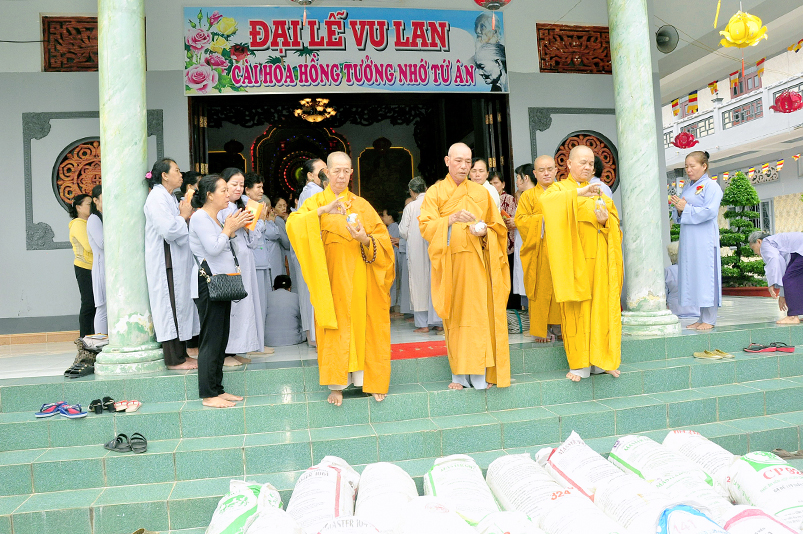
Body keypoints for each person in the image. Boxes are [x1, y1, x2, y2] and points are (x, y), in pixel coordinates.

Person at [287, 151, 395, 406]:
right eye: (336, 171)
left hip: (361, 281)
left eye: (346, 171)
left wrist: (364, 239)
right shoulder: (316, 203)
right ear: (326, 172)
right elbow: (294, 225)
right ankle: (337, 386)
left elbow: (383, 242)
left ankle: (368, 381)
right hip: (332, 282)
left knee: (364, 329)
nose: (342, 176)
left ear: (351, 173)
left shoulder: (362, 205)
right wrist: (322, 211)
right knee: (335, 331)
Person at [419, 142, 510, 390]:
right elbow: (426, 226)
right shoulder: (435, 193)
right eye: (458, 160)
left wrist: (485, 232)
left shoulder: (481, 193)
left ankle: (480, 375)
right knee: (457, 318)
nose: (463, 166)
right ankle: (458, 376)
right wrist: (451, 219)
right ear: (447, 161)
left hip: (478, 266)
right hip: (451, 266)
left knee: (479, 317)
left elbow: (498, 228)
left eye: (468, 161)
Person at [541, 146, 623, 381]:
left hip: (599, 261)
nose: (587, 167)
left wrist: (605, 222)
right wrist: (579, 193)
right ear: (569, 164)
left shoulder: (599, 192)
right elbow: (547, 203)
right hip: (574, 262)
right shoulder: (559, 189)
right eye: (582, 162)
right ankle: (579, 365)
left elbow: (613, 226)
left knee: (601, 310)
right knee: (577, 312)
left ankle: (601, 360)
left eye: (590, 164)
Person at [189, 174, 252, 408]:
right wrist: (229, 229)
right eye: (223, 190)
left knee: (221, 338)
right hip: (208, 283)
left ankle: (218, 389)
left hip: (221, 282)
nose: (228, 194)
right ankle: (208, 394)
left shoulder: (213, 218)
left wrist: (231, 229)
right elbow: (214, 248)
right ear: (209, 195)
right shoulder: (200, 217)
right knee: (211, 339)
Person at [144, 158, 200, 370]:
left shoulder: (168, 196)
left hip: (176, 261)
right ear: (165, 175)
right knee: (170, 309)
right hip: (166, 262)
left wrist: (184, 216)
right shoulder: (156, 198)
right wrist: (183, 216)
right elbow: (168, 230)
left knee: (180, 308)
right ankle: (173, 359)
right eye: (176, 170)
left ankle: (182, 354)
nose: (181, 174)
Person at [670, 151, 723, 330]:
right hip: (690, 239)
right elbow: (681, 213)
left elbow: (710, 211)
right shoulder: (688, 187)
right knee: (697, 277)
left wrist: (686, 208)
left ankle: (710, 319)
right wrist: (679, 209)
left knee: (707, 277)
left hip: (704, 240)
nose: (689, 170)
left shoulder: (712, 186)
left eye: (692, 166)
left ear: (704, 166)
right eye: (686, 166)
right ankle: (701, 317)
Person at [219, 168, 266, 361]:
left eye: (241, 185)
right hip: (229, 262)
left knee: (245, 306)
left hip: (245, 261)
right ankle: (226, 351)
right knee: (232, 307)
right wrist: (235, 225)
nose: (238, 189)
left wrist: (253, 224)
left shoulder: (243, 206)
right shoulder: (219, 207)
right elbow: (220, 237)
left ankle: (238, 349)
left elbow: (252, 242)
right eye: (234, 184)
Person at [514, 160, 562, 342]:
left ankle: (560, 327)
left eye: (550, 169)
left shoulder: (564, 192)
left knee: (560, 288)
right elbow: (520, 220)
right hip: (538, 251)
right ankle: (542, 330)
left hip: (560, 250)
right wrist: (542, 219)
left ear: (556, 170)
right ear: (534, 173)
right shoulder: (527, 196)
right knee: (540, 290)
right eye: (541, 170)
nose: (546, 173)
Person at [245, 173, 289, 340]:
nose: (261, 190)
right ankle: (257, 341)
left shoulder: (259, 212)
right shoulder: (250, 209)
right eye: (258, 187)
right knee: (258, 302)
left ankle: (261, 340)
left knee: (263, 302)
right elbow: (257, 235)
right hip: (256, 262)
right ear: (247, 190)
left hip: (262, 262)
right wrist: (265, 220)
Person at [399, 177, 442, 333]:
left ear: (412, 191)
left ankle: (423, 324)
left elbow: (403, 231)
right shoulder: (435, 203)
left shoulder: (411, 207)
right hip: (434, 247)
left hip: (417, 250)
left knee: (418, 284)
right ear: (425, 188)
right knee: (435, 283)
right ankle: (438, 322)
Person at [294, 158, 328, 347]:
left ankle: (312, 335)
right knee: (313, 292)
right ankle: (316, 336)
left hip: (308, 249)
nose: (326, 173)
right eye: (322, 170)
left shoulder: (310, 191)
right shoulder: (314, 192)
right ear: (309, 175)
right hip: (312, 249)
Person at [749, 231, 803, 324]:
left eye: (753, 248)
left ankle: (792, 317)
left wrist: (772, 283)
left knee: (790, 279)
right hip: (799, 252)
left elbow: (774, 260)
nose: (755, 253)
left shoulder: (765, 243)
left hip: (800, 251)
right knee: (797, 279)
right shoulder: (778, 243)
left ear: (759, 241)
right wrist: (782, 294)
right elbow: (784, 268)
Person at [490, 171, 521, 309]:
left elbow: (512, 220)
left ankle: (512, 311)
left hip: (508, 244)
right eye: (490, 183)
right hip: (493, 243)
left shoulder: (508, 198)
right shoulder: (486, 198)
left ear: (503, 184)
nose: (493, 186)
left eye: (496, 183)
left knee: (509, 278)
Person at [68, 194, 95, 337]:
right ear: (78, 207)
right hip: (84, 268)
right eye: (89, 204)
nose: (92, 206)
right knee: (88, 304)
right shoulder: (78, 224)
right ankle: (85, 338)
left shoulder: (89, 222)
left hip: (93, 267)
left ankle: (94, 337)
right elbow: (89, 246)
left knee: (95, 304)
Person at [86, 185, 107, 335]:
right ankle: (101, 343)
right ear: (95, 200)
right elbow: (102, 243)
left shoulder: (104, 216)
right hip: (101, 268)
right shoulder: (94, 219)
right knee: (102, 308)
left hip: (107, 267)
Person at [264, 275, 305, 346]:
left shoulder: (265, 297)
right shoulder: (296, 297)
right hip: (294, 339)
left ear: (274, 288)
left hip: (268, 340)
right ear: (290, 288)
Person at [665, 241, 698, 318]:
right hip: (697, 312)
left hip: (675, 312)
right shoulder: (696, 269)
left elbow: (664, 293)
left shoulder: (668, 271)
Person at [381, 209, 402, 314]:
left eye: (384, 215)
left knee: (392, 283)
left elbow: (390, 242)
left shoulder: (394, 227)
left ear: (390, 217)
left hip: (393, 257)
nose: (383, 218)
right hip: (391, 257)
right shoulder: (390, 227)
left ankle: (392, 306)